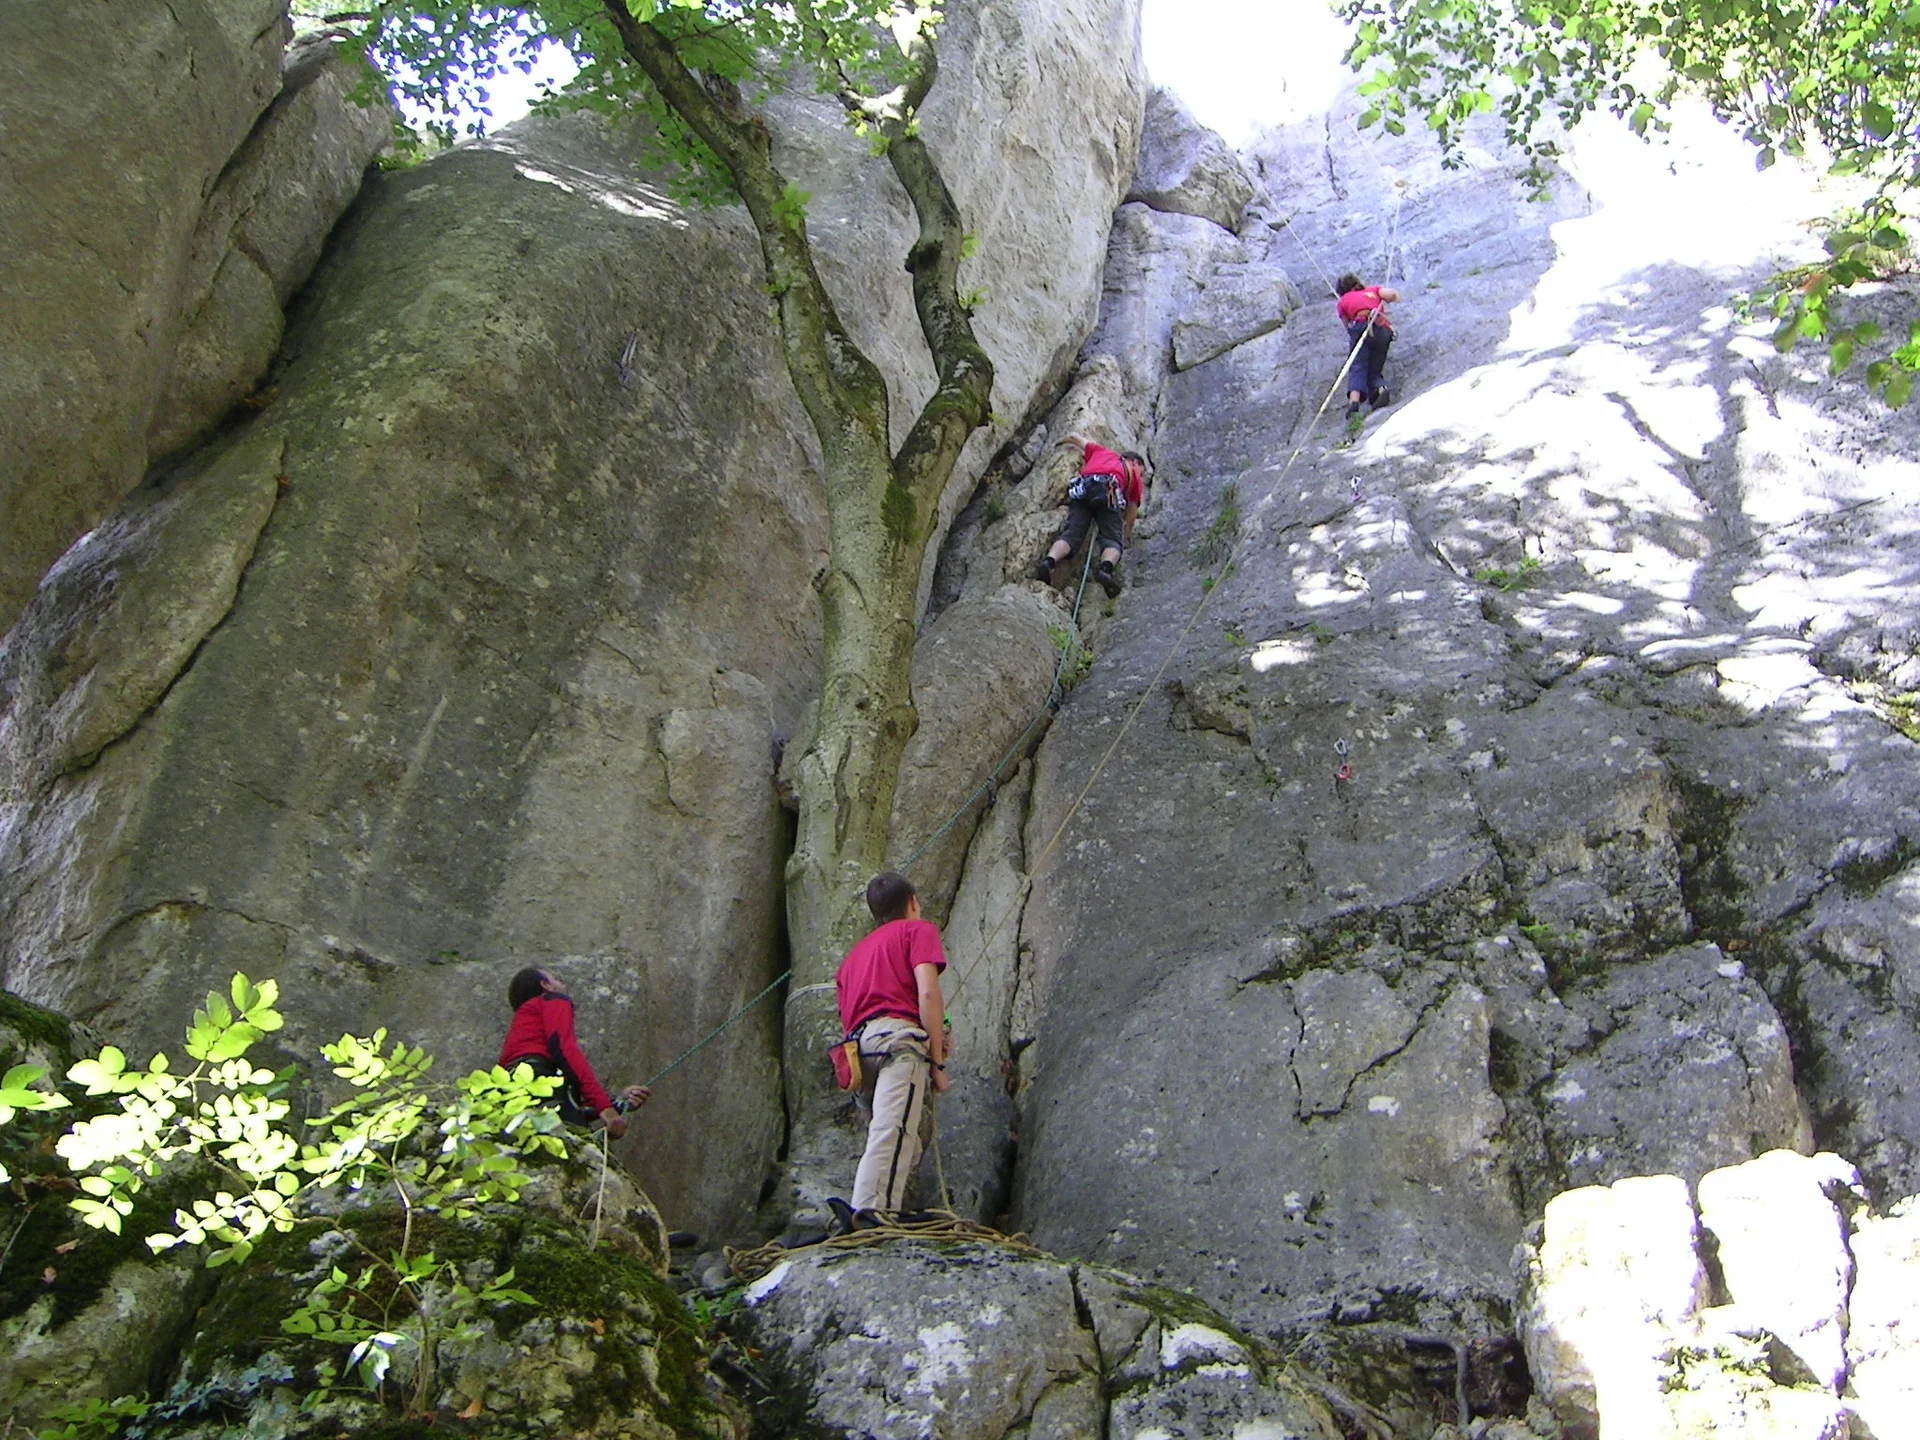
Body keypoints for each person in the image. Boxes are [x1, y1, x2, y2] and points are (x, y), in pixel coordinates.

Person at [827, 871, 949, 1233]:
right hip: (897, 1041)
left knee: (893, 1134)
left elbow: (847, 1013)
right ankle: (871, 1214)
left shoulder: (852, 958)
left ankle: (883, 1208)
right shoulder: (918, 931)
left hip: (859, 1050)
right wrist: (937, 1058)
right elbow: (927, 993)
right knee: (892, 1130)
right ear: (912, 902)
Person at [500, 967, 649, 1139]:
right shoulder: (550, 1000)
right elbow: (564, 1049)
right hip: (537, 1079)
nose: (560, 982)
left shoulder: (522, 1032)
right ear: (546, 985)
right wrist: (605, 1108)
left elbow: (569, 1106)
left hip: (512, 1093)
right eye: (554, 978)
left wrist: (618, 1103)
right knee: (580, 1147)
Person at [1031, 432, 1148, 598]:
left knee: (1071, 535)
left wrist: (1058, 442)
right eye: (1141, 472)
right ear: (1134, 462)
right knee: (1112, 541)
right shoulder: (1133, 474)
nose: (1140, 475)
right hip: (1108, 490)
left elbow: (1074, 437)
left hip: (1083, 489)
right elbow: (1132, 509)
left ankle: (1049, 561)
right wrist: (1126, 534)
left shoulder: (1101, 452)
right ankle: (1105, 570)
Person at [1335, 273, 1400, 419]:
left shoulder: (1342, 301)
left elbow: (1348, 327)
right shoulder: (1373, 290)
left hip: (1360, 327)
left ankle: (1354, 402)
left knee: (1357, 365)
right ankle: (1380, 390)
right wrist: (1391, 295)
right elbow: (1393, 295)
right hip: (1380, 328)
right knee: (1375, 368)